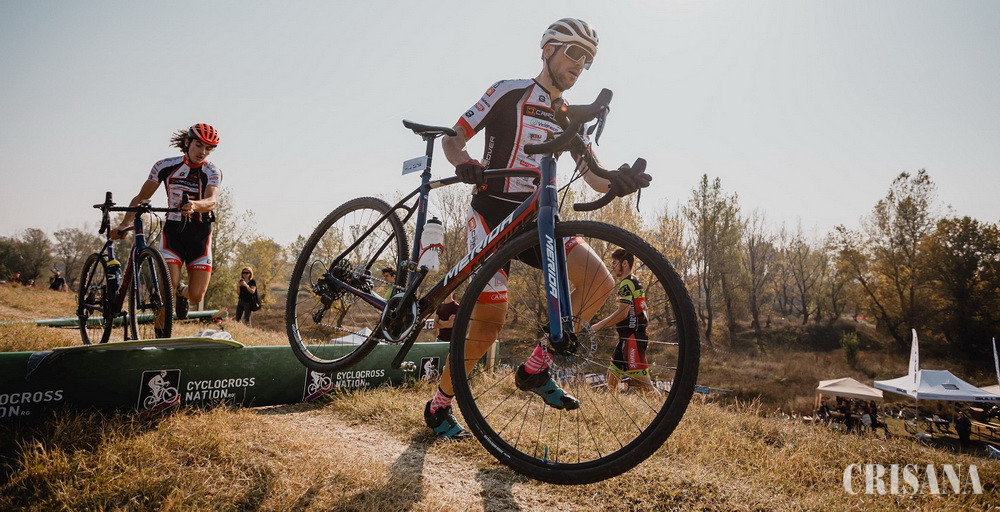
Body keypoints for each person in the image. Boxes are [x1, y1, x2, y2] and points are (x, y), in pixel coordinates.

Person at [423, 18, 651, 439]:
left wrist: (620, 181)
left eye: (588, 58)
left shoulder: (571, 116)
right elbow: (453, 138)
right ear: (547, 49)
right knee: (488, 325)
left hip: (538, 219)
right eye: (574, 52)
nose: (580, 64)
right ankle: (439, 405)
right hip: (492, 213)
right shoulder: (509, 90)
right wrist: (465, 163)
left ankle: (535, 367)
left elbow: (594, 176)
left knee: (599, 283)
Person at [113, 124, 222, 331]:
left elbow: (212, 200)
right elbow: (141, 197)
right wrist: (125, 224)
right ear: (187, 142)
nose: (203, 152)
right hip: (173, 233)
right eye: (199, 145)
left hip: (200, 235)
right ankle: (160, 336)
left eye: (208, 149)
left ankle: (182, 292)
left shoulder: (212, 171)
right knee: (166, 289)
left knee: (196, 295)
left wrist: (194, 205)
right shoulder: (164, 165)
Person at [590, 249, 657, 395]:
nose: (612, 266)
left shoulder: (626, 283)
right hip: (627, 338)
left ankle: (663, 407)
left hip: (632, 339)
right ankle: (609, 406)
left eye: (614, 263)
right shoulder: (635, 280)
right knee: (612, 380)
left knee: (645, 387)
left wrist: (598, 326)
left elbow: (622, 314)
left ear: (625, 263)